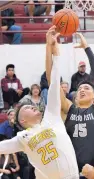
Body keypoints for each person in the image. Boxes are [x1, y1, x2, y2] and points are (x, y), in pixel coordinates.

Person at [0, 26, 79, 179]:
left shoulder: (51, 118)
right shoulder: (22, 137)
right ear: (22, 120)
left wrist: (55, 54)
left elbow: (54, 85)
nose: (33, 106)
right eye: (28, 107)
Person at [46, 27, 94, 178]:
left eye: (87, 88)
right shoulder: (68, 109)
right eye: (80, 88)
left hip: (93, 172)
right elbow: (52, 81)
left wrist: (87, 48)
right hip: (68, 172)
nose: (82, 90)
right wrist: (49, 48)